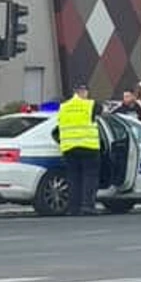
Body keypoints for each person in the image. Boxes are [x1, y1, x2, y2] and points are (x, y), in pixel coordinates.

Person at [55, 81, 104, 216]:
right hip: (88, 147)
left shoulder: (63, 107)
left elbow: (58, 126)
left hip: (69, 148)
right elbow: (102, 112)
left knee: (73, 178)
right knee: (89, 177)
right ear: (84, 92)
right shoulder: (91, 104)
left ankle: (73, 208)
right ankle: (87, 205)